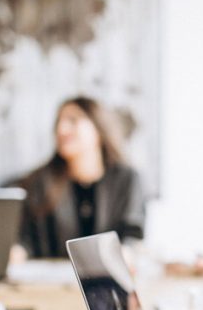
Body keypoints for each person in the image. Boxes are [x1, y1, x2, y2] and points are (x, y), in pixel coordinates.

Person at [15, 96, 145, 258]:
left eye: (73, 120)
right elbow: (27, 239)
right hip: (49, 279)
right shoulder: (39, 182)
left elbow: (133, 234)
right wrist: (18, 251)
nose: (62, 129)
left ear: (98, 129)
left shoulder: (126, 179)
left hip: (106, 276)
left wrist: (126, 253)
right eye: (59, 122)